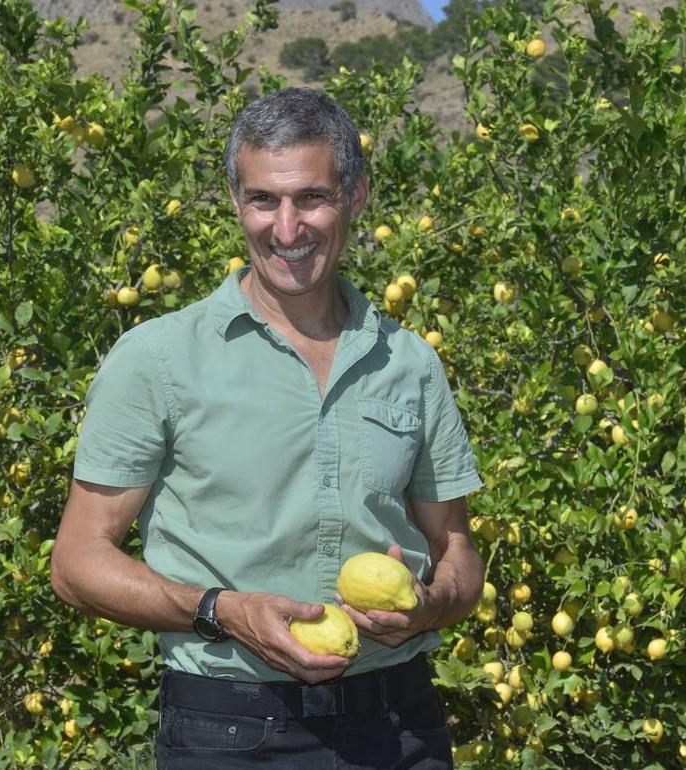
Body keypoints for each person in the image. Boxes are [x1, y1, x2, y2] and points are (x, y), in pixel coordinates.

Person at [50, 87, 484, 769]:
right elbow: (77, 563)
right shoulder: (159, 359)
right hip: (229, 728)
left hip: (399, 723)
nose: (287, 228)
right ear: (235, 202)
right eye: (263, 200)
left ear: (356, 197)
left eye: (310, 198)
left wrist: (426, 608)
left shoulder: (410, 362)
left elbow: (456, 548)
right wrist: (222, 611)